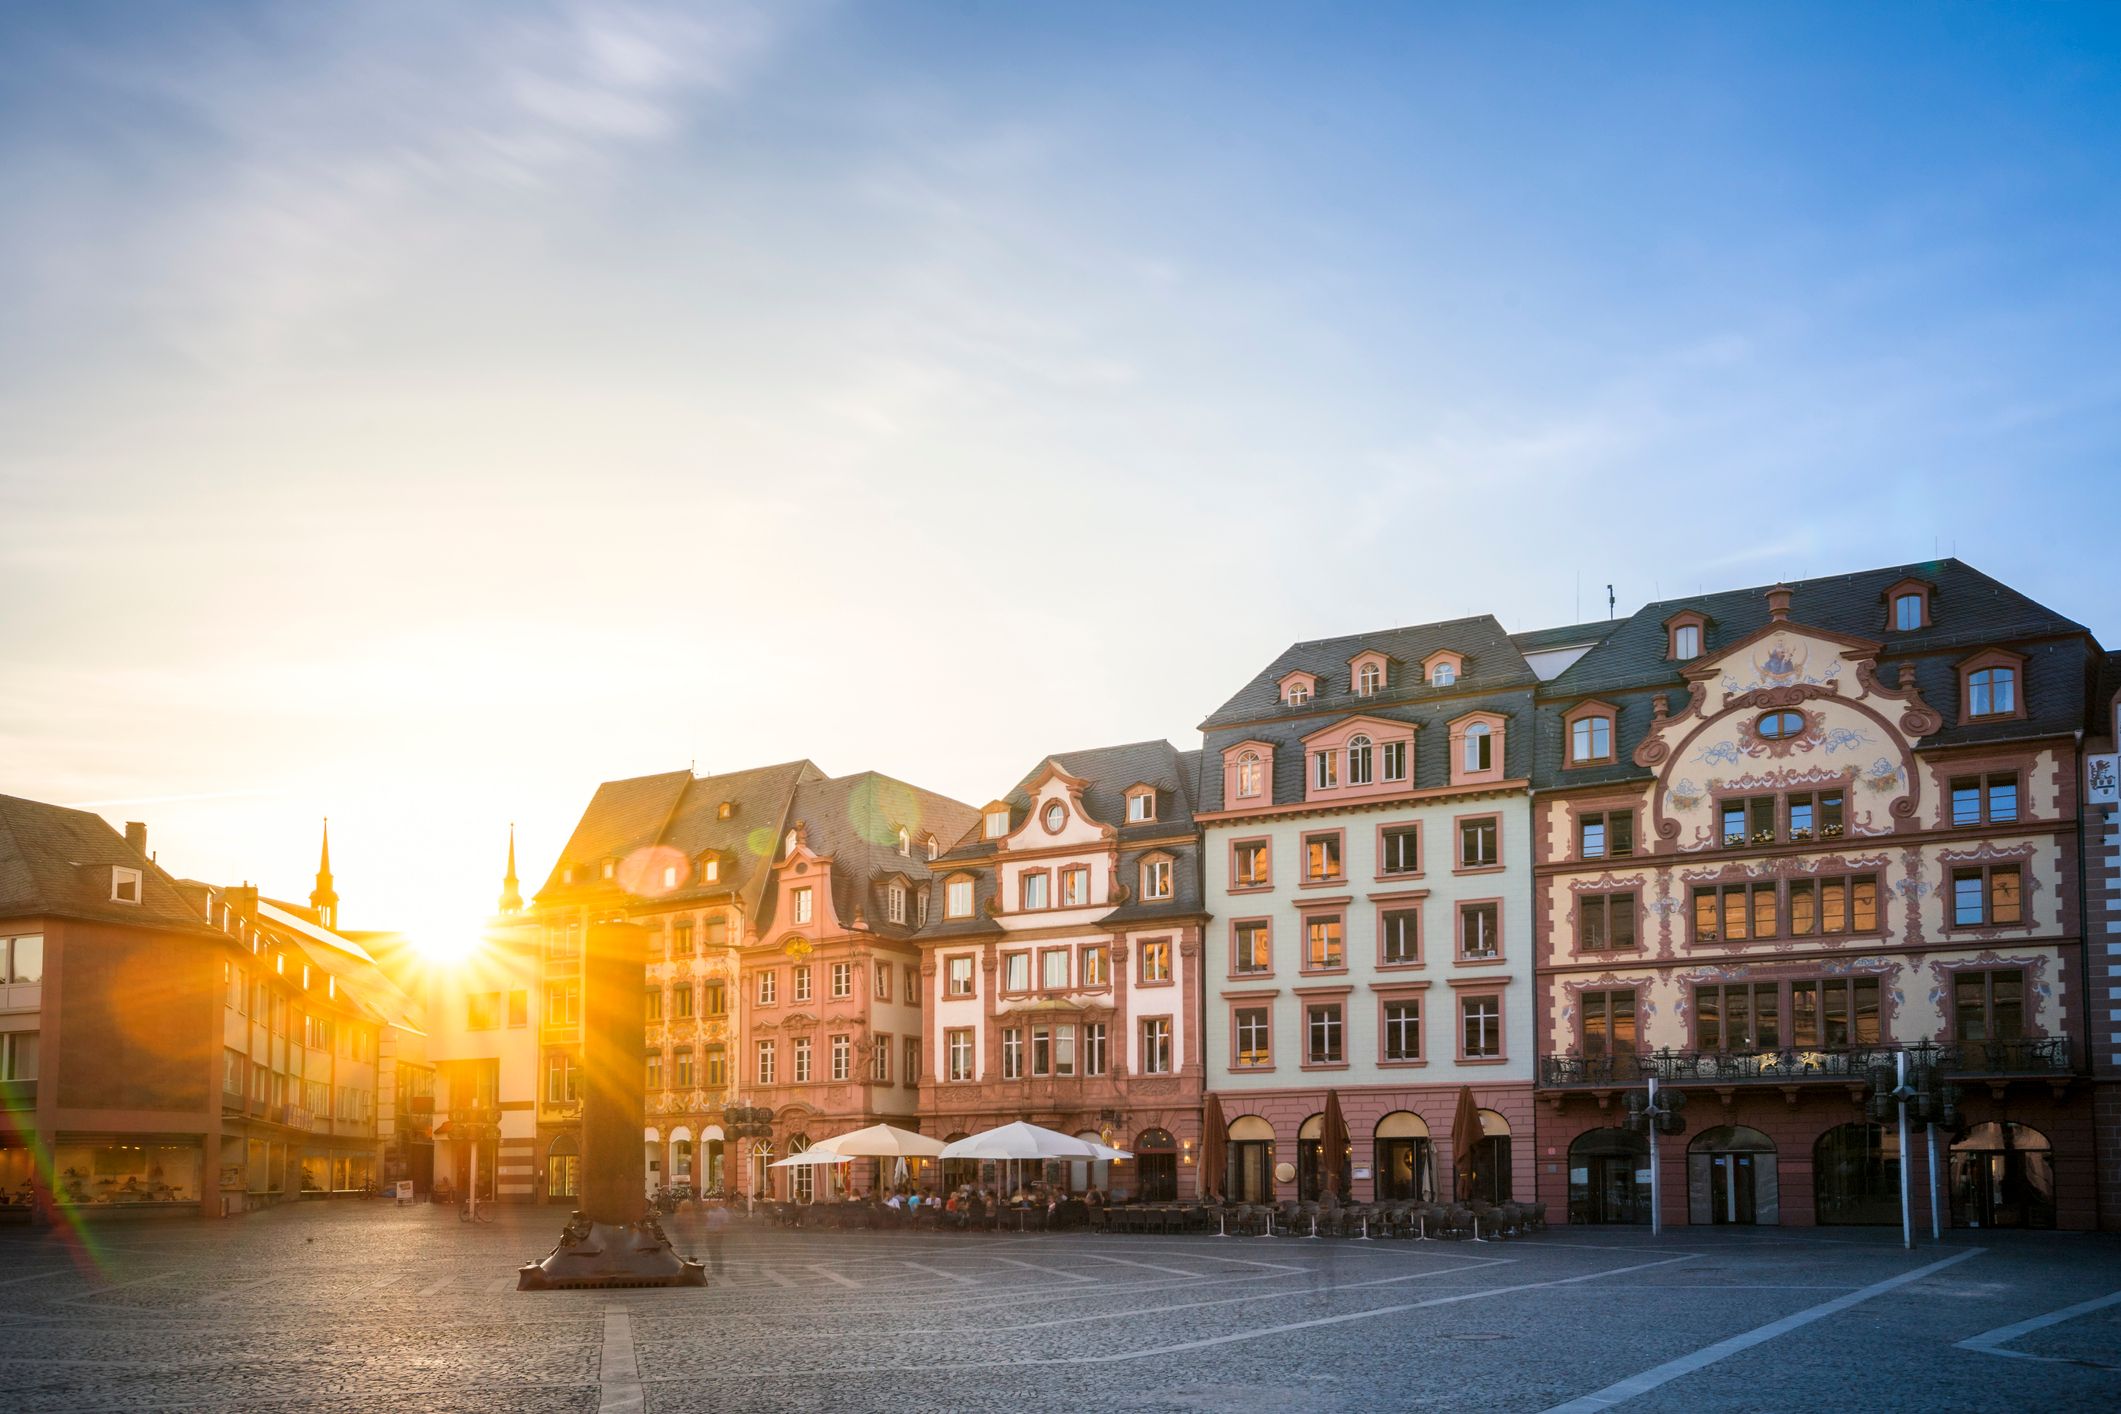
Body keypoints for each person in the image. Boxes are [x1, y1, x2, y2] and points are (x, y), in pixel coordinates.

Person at [703, 1200, 729, 1278]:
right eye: (712, 1202)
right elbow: (704, 1221)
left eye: (715, 1202)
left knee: (717, 1250)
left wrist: (720, 1232)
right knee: (711, 1251)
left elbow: (724, 1223)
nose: (713, 1204)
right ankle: (714, 1268)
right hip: (709, 1232)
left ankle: (719, 1269)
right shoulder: (709, 1211)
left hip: (717, 1233)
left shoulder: (722, 1211)